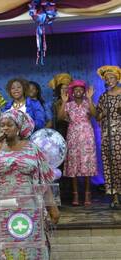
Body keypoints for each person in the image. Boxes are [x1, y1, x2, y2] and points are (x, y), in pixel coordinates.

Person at [0, 109, 60, 260]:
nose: (4, 128)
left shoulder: (32, 148)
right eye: (2, 125)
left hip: (30, 206)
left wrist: (53, 208)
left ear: (19, 127)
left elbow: (44, 180)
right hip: (3, 207)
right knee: (6, 248)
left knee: (30, 245)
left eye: (9, 125)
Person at [58, 80, 97, 206]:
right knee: (74, 164)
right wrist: (64, 101)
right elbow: (59, 117)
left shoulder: (87, 103)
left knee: (87, 163)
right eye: (75, 89)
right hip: (73, 134)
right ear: (72, 92)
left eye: (81, 89)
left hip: (87, 135)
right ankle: (75, 194)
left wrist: (90, 99)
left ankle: (87, 193)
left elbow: (94, 114)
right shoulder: (69, 105)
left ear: (84, 91)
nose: (78, 91)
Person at [97, 65, 121, 207]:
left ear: (118, 78)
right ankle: (115, 197)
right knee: (109, 164)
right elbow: (98, 116)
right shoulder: (104, 96)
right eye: (107, 79)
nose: (109, 80)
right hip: (107, 134)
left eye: (112, 78)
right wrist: (102, 114)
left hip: (119, 131)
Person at [48, 73, 72, 137]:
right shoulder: (56, 103)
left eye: (66, 88)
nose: (64, 90)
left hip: (73, 129)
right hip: (61, 129)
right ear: (59, 90)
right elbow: (58, 118)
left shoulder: (73, 101)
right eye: (62, 88)